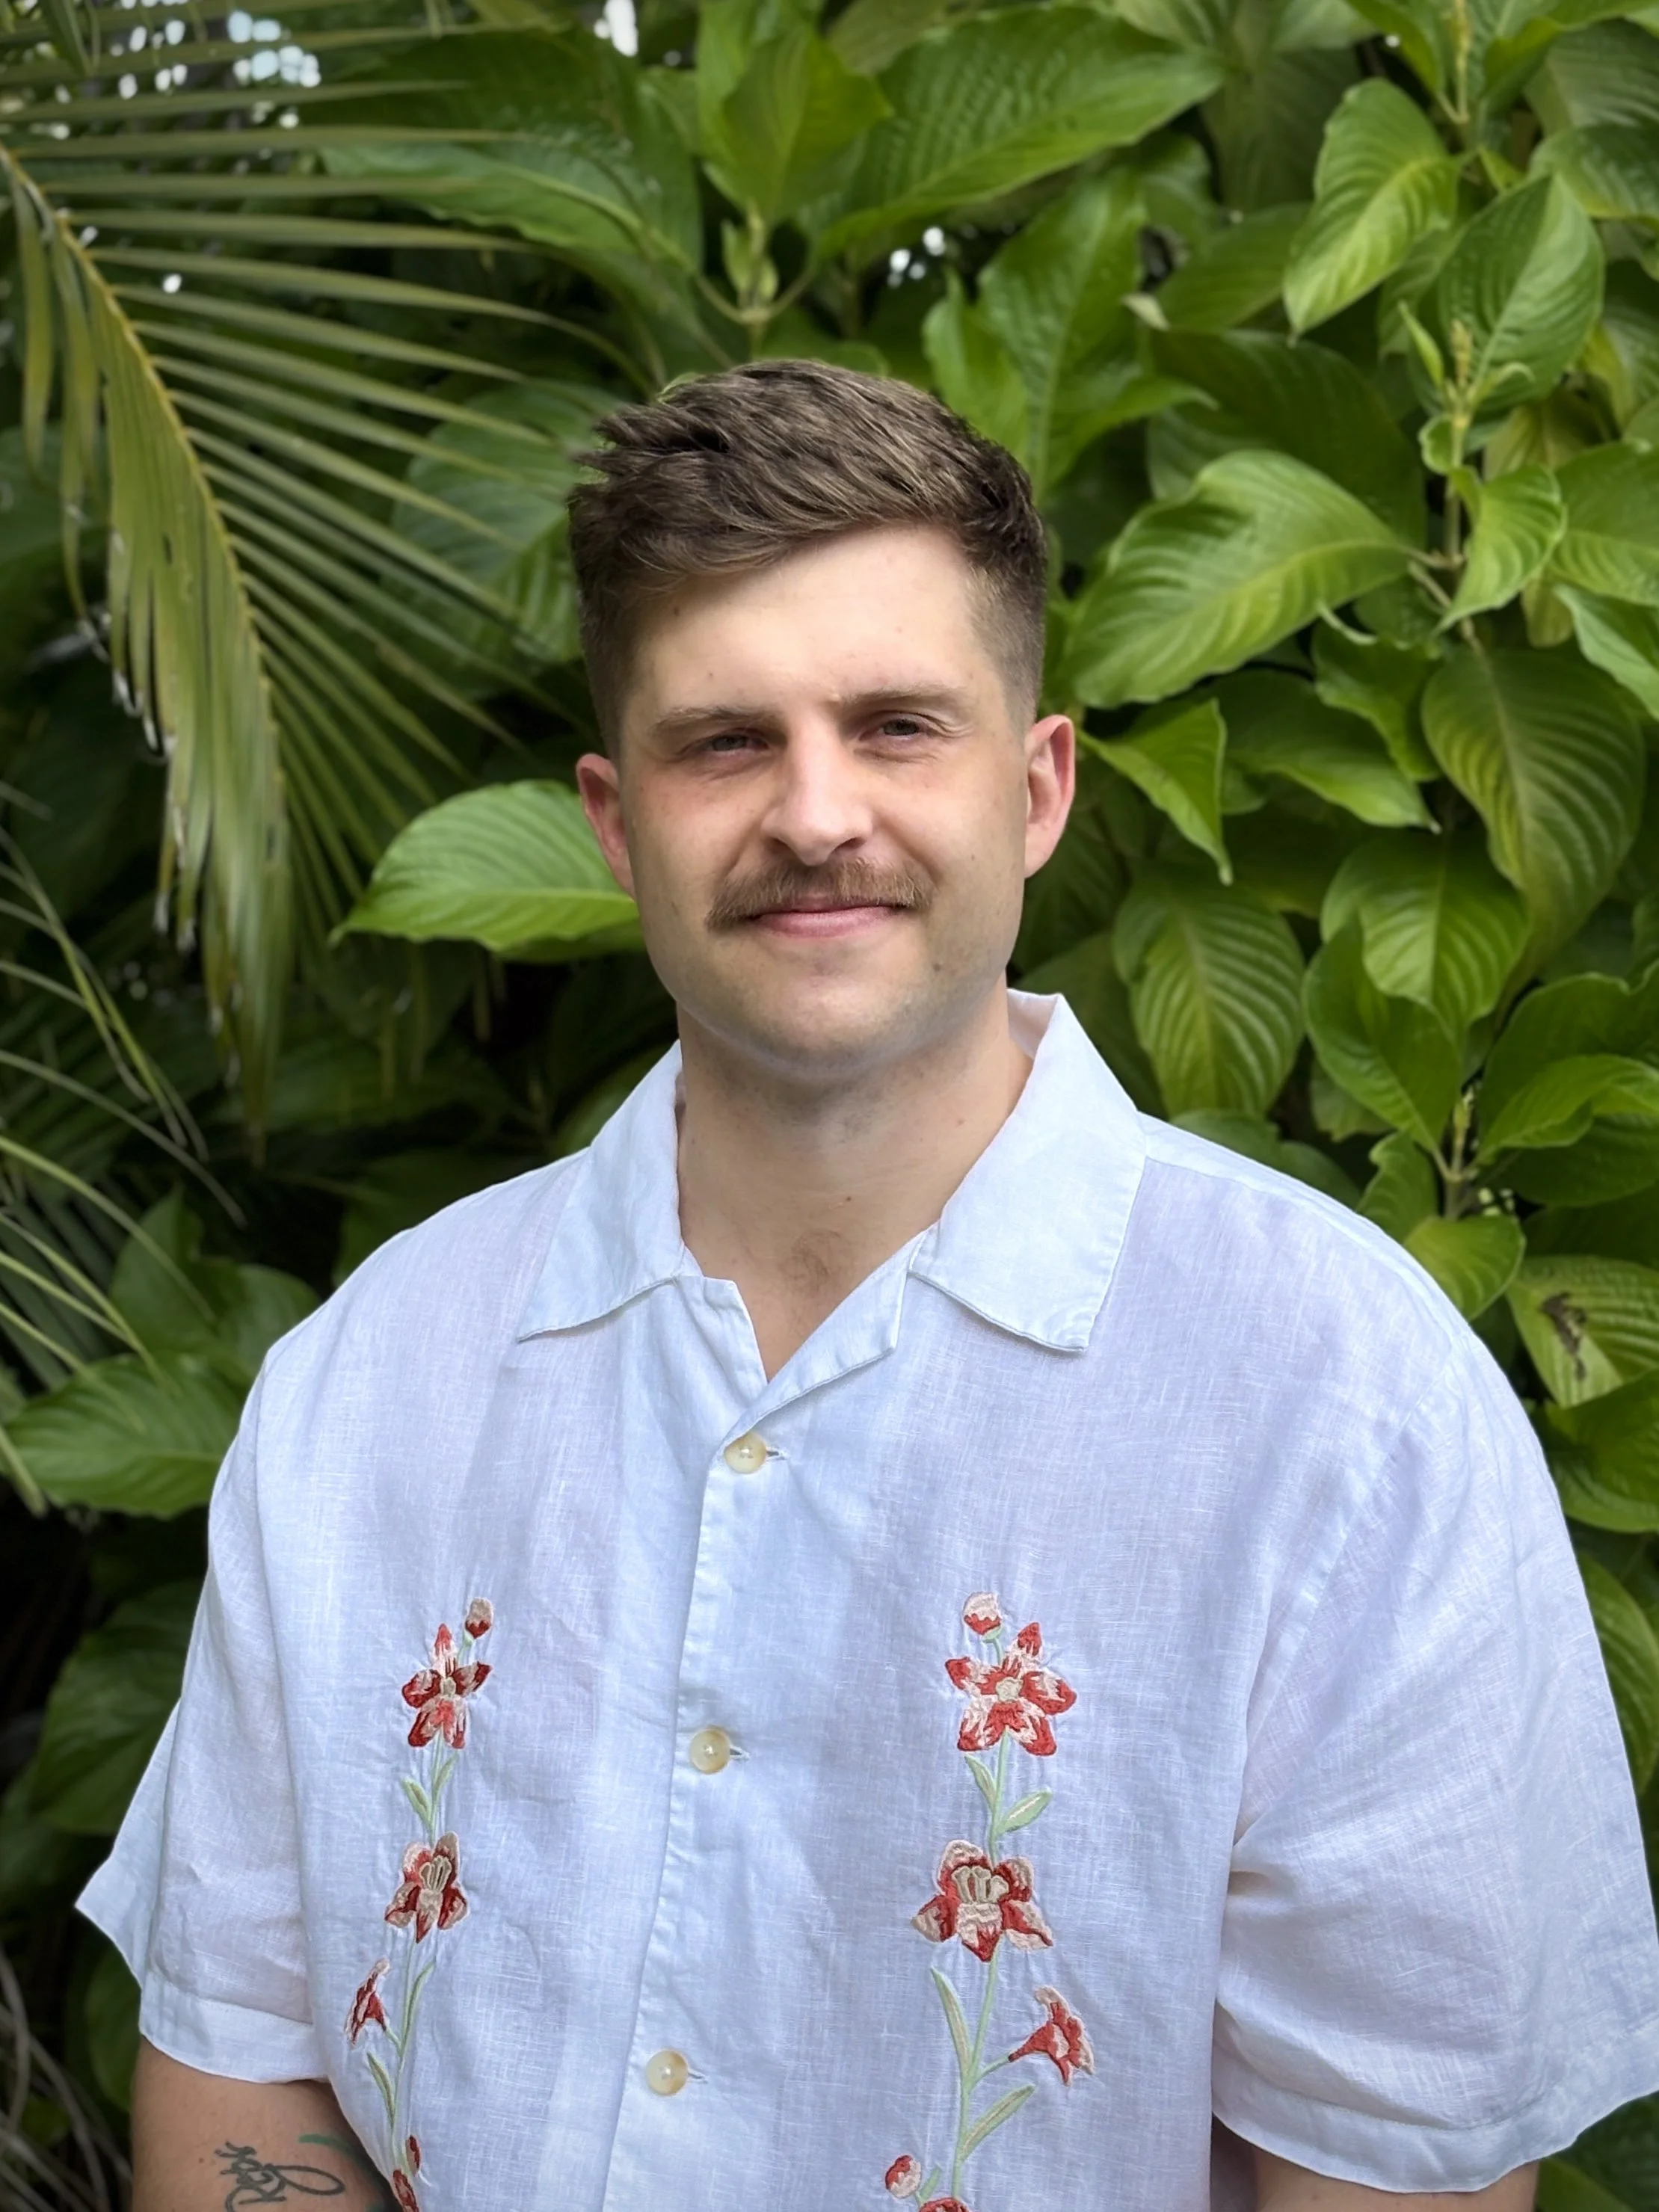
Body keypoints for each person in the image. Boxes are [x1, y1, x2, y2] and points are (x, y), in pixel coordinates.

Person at [86, 360, 1659, 2212]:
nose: (814, 812)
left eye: (898, 724)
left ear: (1039, 784)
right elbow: (243, 2081)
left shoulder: (1340, 1408)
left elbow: (1392, 2175)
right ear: (612, 820)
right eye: (722, 741)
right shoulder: (367, 1389)